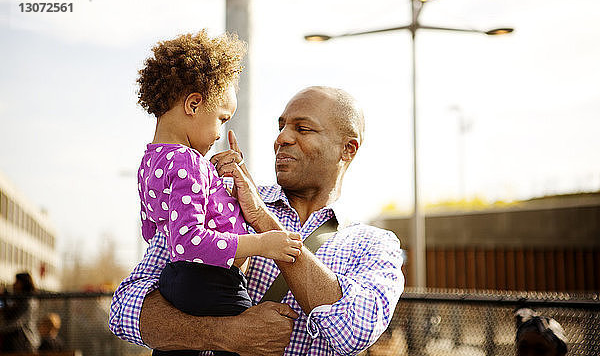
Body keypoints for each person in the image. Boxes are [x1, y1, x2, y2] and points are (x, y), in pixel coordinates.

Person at [109, 86, 404, 355]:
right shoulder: (220, 197)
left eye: (302, 129)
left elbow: (350, 333)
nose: (282, 138)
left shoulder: (375, 245)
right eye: (281, 127)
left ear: (347, 149)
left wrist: (263, 219)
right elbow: (126, 309)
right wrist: (225, 334)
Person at [133, 31, 303, 356]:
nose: (221, 132)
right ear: (194, 104)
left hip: (179, 284)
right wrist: (262, 244)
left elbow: (153, 231)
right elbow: (188, 241)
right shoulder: (188, 161)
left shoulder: (150, 161)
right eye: (222, 119)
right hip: (213, 285)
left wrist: (214, 182)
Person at [0, 272, 39, 352]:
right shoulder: (19, 299)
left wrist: (2, 328)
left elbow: (18, 322)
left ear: (23, 283)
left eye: (17, 281)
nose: (14, 284)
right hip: (17, 341)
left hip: (25, 342)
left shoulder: (29, 301)